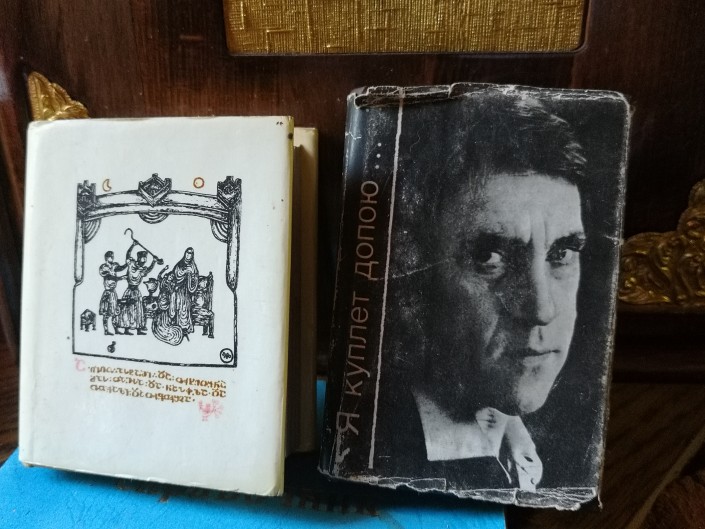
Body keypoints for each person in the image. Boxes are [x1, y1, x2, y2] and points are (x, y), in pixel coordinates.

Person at [379, 94, 588, 492]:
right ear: (412, 268)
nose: (542, 309)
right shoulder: (387, 447)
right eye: (490, 257)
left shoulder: (548, 450)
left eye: (561, 254)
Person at [115, 242, 156, 335]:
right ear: (139, 258)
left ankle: (138, 330)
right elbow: (128, 255)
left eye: (145, 258)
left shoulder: (142, 269)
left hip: (137, 292)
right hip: (129, 291)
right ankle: (126, 329)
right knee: (127, 310)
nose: (145, 260)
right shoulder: (131, 263)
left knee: (138, 310)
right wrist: (132, 245)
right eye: (143, 258)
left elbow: (149, 269)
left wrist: (154, 262)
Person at [171, 247, 199, 336]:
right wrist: (184, 272)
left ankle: (185, 327)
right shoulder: (180, 264)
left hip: (187, 291)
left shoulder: (193, 266)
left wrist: (192, 275)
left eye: (190, 254)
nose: (188, 255)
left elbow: (195, 276)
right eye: (187, 253)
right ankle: (177, 325)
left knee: (185, 308)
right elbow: (176, 273)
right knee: (178, 305)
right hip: (179, 288)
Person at [98, 251, 126, 335]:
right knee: (106, 313)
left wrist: (126, 264)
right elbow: (109, 276)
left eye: (113, 256)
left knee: (115, 312)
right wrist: (120, 278)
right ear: (106, 258)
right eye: (111, 256)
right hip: (107, 292)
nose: (112, 258)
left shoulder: (114, 265)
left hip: (113, 292)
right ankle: (106, 331)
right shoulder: (104, 267)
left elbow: (120, 268)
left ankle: (116, 330)